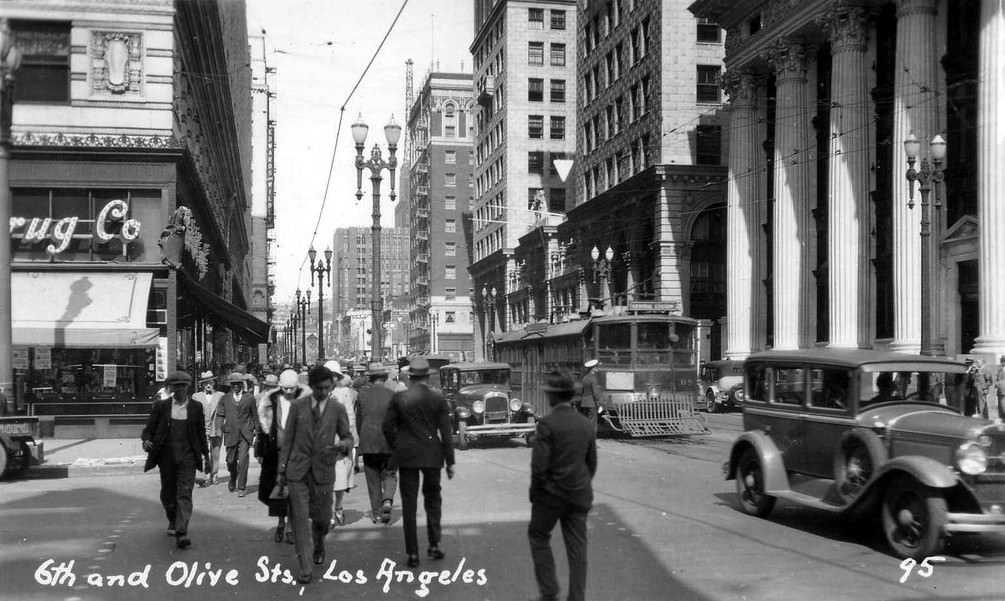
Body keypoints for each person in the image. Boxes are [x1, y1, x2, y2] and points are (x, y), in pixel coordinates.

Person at [277, 365, 354, 584]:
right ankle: (305, 568)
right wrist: (281, 471)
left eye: (328, 388)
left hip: (323, 472)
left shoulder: (336, 408)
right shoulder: (297, 407)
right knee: (300, 519)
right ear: (311, 386)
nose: (323, 392)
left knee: (321, 519)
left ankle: (319, 543)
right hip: (298, 472)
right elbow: (288, 440)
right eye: (319, 388)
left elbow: (347, 436)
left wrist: (342, 446)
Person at [528, 369, 598, 601]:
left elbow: (539, 467)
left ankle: (549, 592)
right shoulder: (586, 425)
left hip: (551, 495)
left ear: (553, 397)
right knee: (578, 548)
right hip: (579, 494)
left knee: (538, 535)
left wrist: (535, 494)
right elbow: (591, 464)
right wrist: (579, 485)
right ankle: (577, 597)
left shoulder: (547, 424)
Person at [382, 357, 455, 568]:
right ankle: (434, 545)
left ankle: (412, 553)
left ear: (411, 377)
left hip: (407, 457)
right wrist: (450, 461)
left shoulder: (399, 398)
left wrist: (399, 444)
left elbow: (387, 426)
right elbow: (447, 433)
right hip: (432, 456)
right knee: (433, 501)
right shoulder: (438, 399)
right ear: (428, 376)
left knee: (409, 504)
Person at [141, 371, 210, 550]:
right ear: (170, 388)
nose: (180, 390)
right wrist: (147, 440)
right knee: (168, 495)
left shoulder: (195, 407)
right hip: (167, 458)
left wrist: (206, 456)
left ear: (188, 387)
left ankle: (182, 531)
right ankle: (173, 519)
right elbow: (149, 429)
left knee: (185, 493)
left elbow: (201, 433)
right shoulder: (161, 407)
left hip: (188, 457)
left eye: (183, 386)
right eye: (176, 386)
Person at [256, 370, 302, 544]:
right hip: (275, 453)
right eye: (285, 389)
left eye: (292, 389)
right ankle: (281, 522)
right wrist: (260, 451)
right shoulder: (271, 402)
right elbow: (263, 428)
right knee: (277, 490)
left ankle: (290, 525)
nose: (289, 392)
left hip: (296, 454)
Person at [357, 362, 398, 524]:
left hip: (368, 441)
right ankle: (387, 499)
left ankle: (377, 513)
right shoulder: (393, 395)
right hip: (388, 441)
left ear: (370, 379)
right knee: (390, 474)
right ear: (385, 377)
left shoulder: (362, 395)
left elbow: (359, 421)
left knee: (372, 479)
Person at [325, 360, 358, 528]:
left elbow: (350, 417)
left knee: (339, 481)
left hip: (339, 442)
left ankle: (338, 506)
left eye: (334, 376)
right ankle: (330, 513)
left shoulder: (344, 392)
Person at [216, 372, 257, 496]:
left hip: (245, 433)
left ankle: (241, 487)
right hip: (230, 433)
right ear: (230, 385)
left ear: (242, 384)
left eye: (238, 384)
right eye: (233, 384)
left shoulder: (249, 398)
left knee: (243, 459)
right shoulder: (225, 398)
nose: (235, 386)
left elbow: (255, 416)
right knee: (230, 460)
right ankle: (233, 476)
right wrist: (218, 429)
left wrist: (257, 431)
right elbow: (220, 415)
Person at [192, 371, 223, 486]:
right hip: (202, 429)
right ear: (202, 385)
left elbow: (224, 413)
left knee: (215, 453)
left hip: (216, 428)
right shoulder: (196, 396)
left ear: (214, 383)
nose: (208, 385)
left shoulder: (220, 395)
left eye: (210, 382)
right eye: (206, 383)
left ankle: (214, 474)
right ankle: (206, 475)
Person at [576, 359, 602, 430]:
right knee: (592, 424)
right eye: (596, 367)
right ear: (593, 368)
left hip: (584, 403)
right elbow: (595, 393)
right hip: (592, 404)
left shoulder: (585, 378)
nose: (598, 368)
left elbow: (581, 390)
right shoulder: (593, 378)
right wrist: (599, 404)